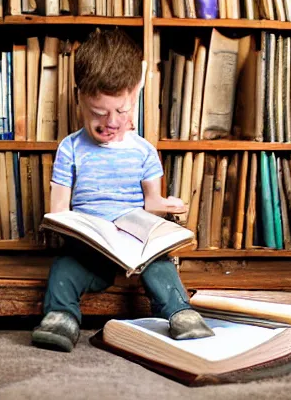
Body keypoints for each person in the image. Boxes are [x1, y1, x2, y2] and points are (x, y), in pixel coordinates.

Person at [31, 28, 214, 352]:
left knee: (161, 266)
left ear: (135, 94)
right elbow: (58, 209)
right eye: (98, 113)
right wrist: (66, 226)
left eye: (122, 111)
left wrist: (168, 206)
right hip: (91, 250)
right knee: (63, 268)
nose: (111, 123)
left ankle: (180, 312)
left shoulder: (143, 151)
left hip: (136, 250)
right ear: (80, 98)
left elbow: (151, 202)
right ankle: (61, 317)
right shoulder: (70, 148)